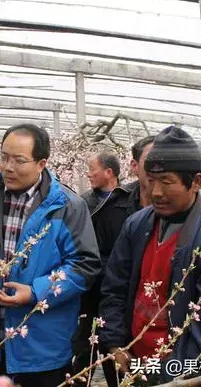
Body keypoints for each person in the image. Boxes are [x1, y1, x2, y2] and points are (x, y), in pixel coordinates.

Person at [99, 126, 201, 386]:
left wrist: (162, 376)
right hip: (139, 363)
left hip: (191, 376)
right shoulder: (137, 225)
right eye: (151, 179)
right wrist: (115, 343)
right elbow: (115, 287)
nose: (155, 191)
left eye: (167, 182)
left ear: (196, 182)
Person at [0, 124, 101, 387]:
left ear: (41, 163)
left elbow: (84, 266)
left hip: (44, 345)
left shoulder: (67, 207)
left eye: (19, 160)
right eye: (4, 157)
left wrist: (36, 292)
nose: (8, 167)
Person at [73, 151, 132, 384]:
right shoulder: (84, 202)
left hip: (118, 286)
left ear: (109, 173)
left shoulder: (129, 201)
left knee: (115, 346)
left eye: (92, 169)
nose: (88, 174)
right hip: (89, 287)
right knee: (83, 348)